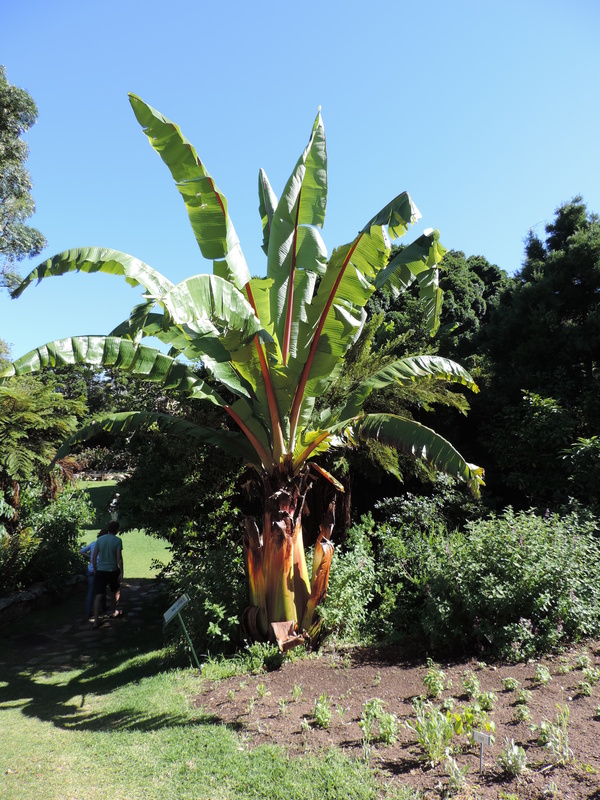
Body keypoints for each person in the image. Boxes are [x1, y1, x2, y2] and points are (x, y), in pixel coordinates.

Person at [92, 520, 124, 629]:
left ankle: (96, 620)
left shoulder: (99, 540)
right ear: (117, 530)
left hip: (101, 571)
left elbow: (94, 556)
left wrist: (96, 569)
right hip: (113, 570)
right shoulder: (117, 540)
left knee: (99, 595)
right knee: (115, 591)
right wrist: (122, 572)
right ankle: (113, 611)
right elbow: (119, 558)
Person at [80, 528, 107, 619]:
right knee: (102, 589)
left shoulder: (93, 543)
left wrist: (90, 557)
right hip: (101, 570)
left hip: (91, 570)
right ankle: (103, 607)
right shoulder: (104, 546)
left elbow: (81, 551)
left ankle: (88, 612)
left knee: (91, 592)